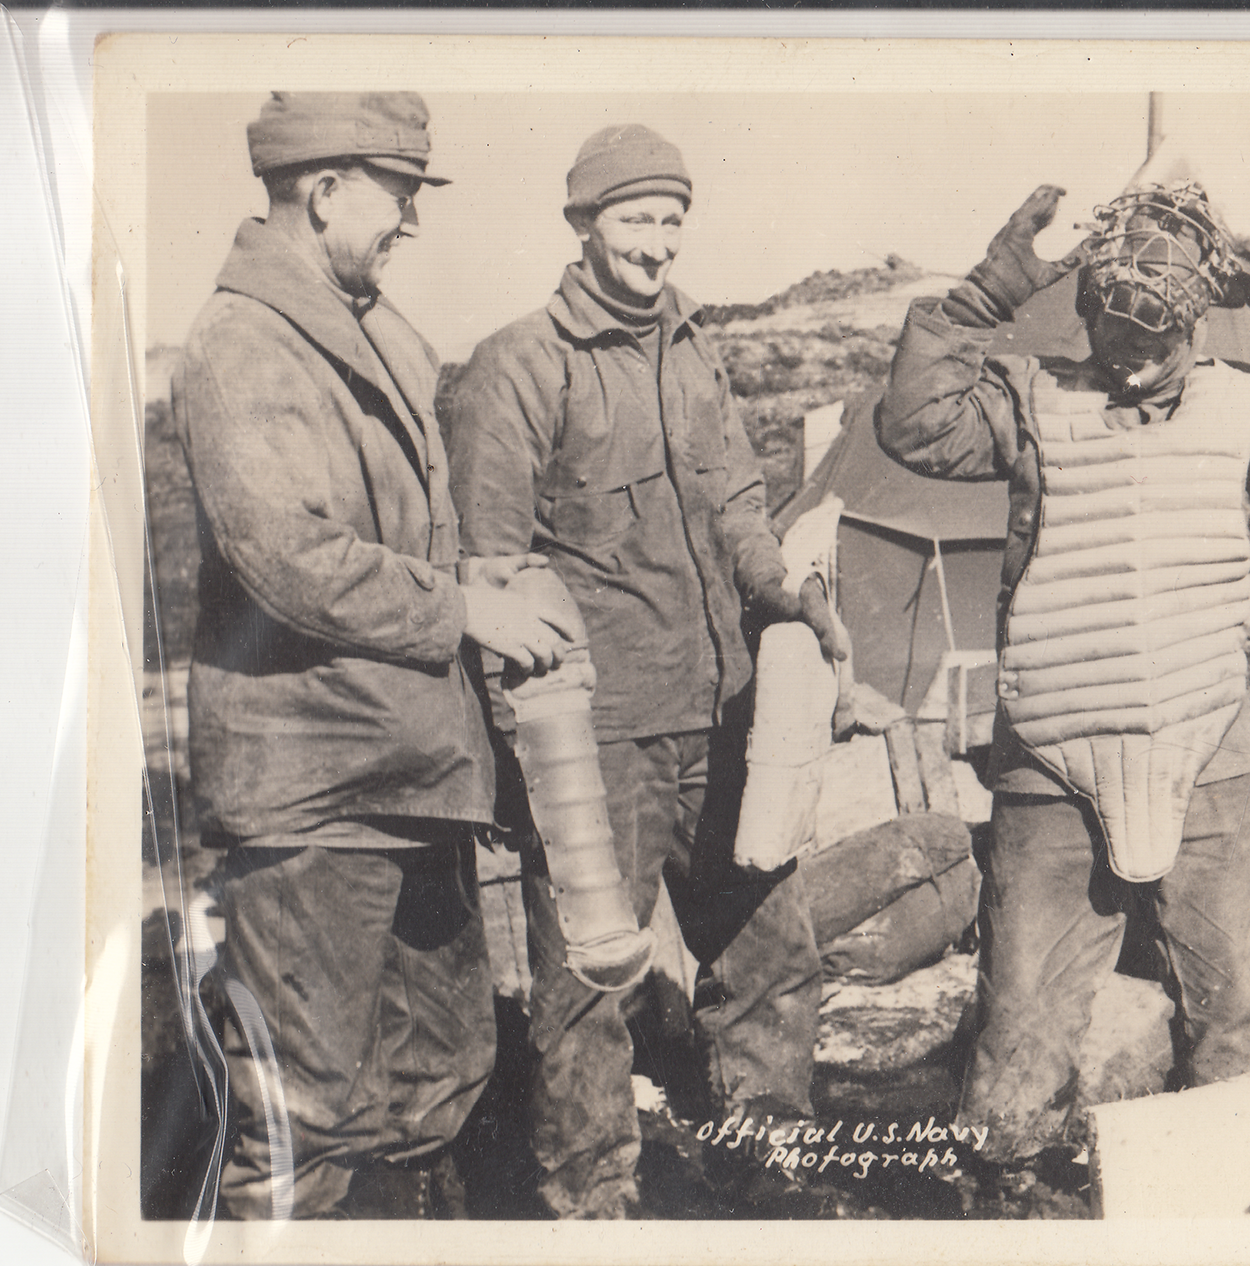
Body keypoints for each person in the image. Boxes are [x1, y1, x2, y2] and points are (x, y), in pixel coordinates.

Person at [876, 179, 1250, 1167]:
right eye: (1115, 326)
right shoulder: (1033, 404)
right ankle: (1007, 1199)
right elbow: (912, 427)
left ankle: (1241, 1200)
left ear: (1196, 321)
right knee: (1021, 1026)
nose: (1133, 350)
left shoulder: (1240, 406)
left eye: (1159, 332)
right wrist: (981, 295)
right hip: (1049, 762)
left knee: (1234, 1018)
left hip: (1204, 751)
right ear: (1084, 308)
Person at [173, 92, 578, 1220]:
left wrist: (475, 581)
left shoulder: (374, 331)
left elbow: (390, 541)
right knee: (306, 1118)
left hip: (409, 780)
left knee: (440, 1078)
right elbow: (286, 555)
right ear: (324, 190)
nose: (411, 217)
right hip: (312, 796)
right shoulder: (240, 341)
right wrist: (457, 609)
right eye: (398, 193)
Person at [442, 124, 844, 1218]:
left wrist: (786, 600)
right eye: (635, 219)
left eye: (671, 220)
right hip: (594, 738)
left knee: (769, 953)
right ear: (583, 225)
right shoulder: (519, 366)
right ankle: (594, 1205)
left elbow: (739, 511)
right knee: (588, 984)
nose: (657, 243)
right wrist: (521, 755)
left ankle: (772, 1173)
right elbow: (493, 566)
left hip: (721, 717)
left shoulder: (694, 350)